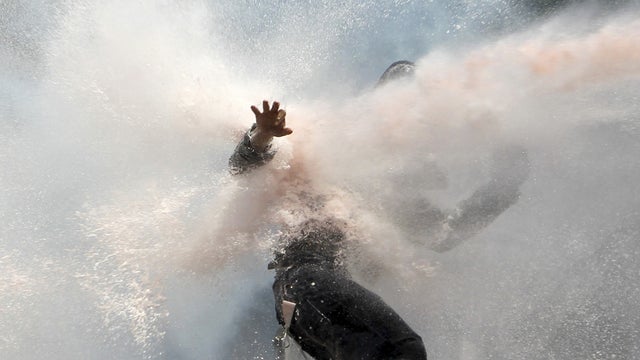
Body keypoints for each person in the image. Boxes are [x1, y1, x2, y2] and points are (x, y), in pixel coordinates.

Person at [229, 100, 428, 359]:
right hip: (304, 281)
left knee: (398, 350)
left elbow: (444, 236)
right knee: (400, 348)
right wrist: (264, 133)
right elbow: (242, 166)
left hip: (309, 307)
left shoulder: (371, 201)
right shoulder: (310, 162)